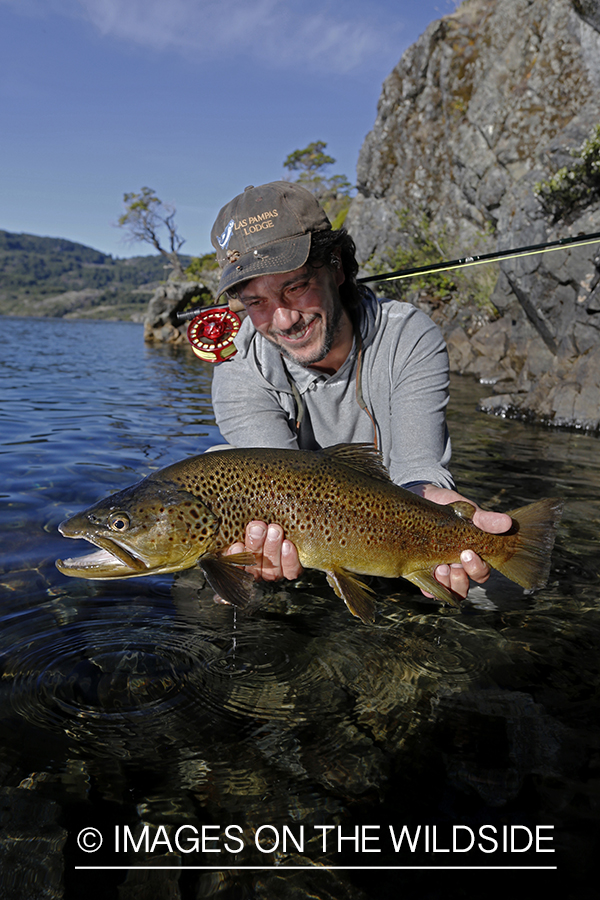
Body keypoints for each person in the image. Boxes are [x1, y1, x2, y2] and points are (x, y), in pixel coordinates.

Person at [209, 181, 511, 600]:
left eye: (295, 287)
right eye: (256, 302)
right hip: (307, 534)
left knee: (492, 591)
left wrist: (432, 503)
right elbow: (275, 488)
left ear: (336, 267)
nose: (282, 320)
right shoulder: (238, 369)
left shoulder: (407, 336)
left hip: (397, 519)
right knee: (213, 582)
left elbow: (417, 469)